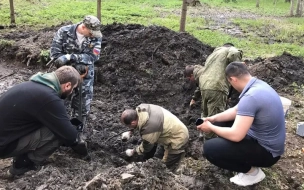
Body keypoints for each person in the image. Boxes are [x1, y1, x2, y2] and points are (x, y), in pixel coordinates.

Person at [197, 62, 285, 186]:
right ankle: (241, 156)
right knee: (221, 122)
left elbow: (236, 135)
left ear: (233, 79)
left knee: (210, 149)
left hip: (268, 153)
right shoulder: (258, 86)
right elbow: (235, 110)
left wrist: (210, 127)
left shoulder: (250, 97)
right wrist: (213, 119)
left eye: (230, 83)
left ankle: (252, 173)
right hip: (268, 144)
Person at [0, 66, 88, 176]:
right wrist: (81, 149)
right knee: (58, 131)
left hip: (5, 137)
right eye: (73, 89)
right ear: (67, 85)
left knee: (51, 123)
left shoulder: (32, 85)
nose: (71, 92)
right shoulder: (49, 98)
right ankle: (23, 164)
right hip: (3, 145)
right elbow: (69, 135)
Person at [50, 15, 102, 125]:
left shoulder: (96, 36)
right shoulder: (64, 32)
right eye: (91, 32)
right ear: (83, 27)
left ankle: (79, 132)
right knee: (59, 102)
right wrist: (72, 66)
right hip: (64, 75)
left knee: (82, 105)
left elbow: (93, 56)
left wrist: (71, 57)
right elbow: (56, 55)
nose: (93, 35)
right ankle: (58, 129)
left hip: (85, 75)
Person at [185, 43, 242, 140]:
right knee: (215, 117)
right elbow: (234, 54)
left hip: (204, 87)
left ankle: (202, 134)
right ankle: (209, 143)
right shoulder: (230, 50)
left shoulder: (214, 54)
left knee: (206, 114)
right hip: (217, 87)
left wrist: (194, 98)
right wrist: (239, 68)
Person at [120, 104, 189, 171]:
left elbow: (146, 148)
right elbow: (138, 122)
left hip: (178, 137)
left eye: (128, 126)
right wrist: (130, 132)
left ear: (133, 123)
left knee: (164, 167)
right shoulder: (141, 108)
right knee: (157, 158)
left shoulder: (149, 130)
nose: (128, 127)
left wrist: (133, 151)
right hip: (168, 128)